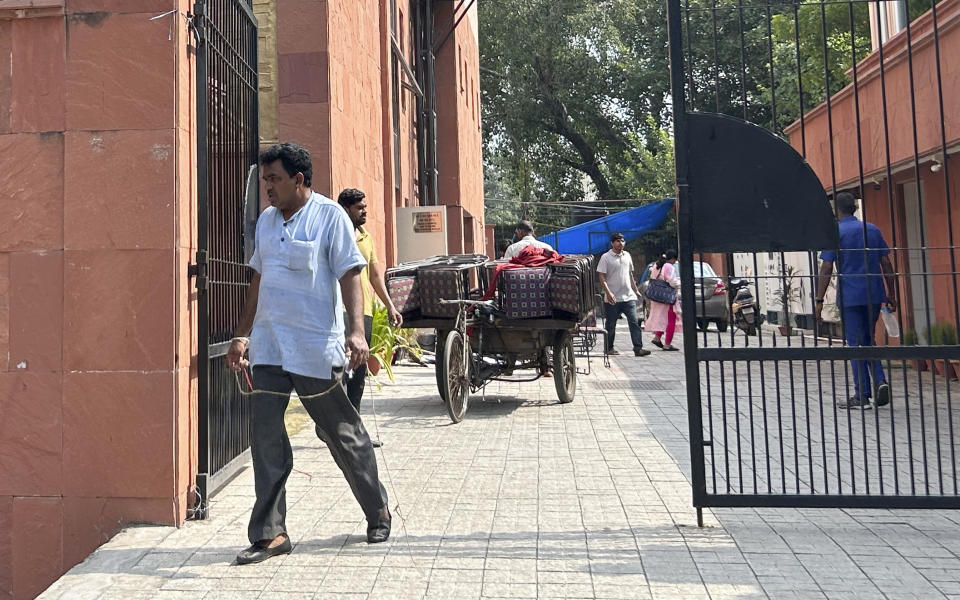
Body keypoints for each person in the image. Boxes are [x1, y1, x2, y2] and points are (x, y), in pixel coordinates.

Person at [226, 143, 391, 565]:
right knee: (265, 437)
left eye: (274, 179)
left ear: (299, 180)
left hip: (316, 347)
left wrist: (357, 331)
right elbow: (258, 281)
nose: (267, 188)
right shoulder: (265, 221)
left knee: (342, 434)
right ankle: (271, 534)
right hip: (270, 347)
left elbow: (351, 275)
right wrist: (242, 335)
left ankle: (376, 510)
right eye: (264, 180)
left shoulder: (330, 217)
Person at [815, 191, 897, 410]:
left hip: (850, 295)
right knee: (869, 339)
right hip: (873, 292)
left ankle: (862, 395)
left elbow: (826, 267)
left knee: (854, 344)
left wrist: (819, 299)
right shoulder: (872, 230)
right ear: (855, 208)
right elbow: (886, 264)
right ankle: (879, 380)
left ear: (837, 210)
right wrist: (893, 294)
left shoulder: (836, 232)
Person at [334, 188, 402, 448]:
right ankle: (334, 429)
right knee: (337, 371)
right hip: (337, 310)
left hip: (364, 313)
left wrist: (391, 307)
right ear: (346, 208)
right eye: (360, 207)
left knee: (359, 372)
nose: (365, 211)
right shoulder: (334, 234)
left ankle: (356, 431)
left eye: (365, 206)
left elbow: (375, 276)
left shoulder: (366, 237)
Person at [596, 232, 651, 357]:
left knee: (634, 322)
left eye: (622, 241)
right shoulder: (606, 257)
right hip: (612, 298)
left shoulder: (627, 256)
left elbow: (630, 275)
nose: (620, 243)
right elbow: (601, 276)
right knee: (610, 324)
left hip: (628, 296)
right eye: (617, 241)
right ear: (612, 243)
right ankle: (609, 348)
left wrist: (635, 290)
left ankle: (638, 348)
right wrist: (608, 293)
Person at [647, 249, 682, 351]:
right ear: (672, 258)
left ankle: (657, 338)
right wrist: (680, 284)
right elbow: (671, 281)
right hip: (667, 298)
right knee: (671, 319)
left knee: (662, 318)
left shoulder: (656, 265)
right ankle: (667, 344)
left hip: (657, 296)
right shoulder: (668, 266)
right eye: (675, 259)